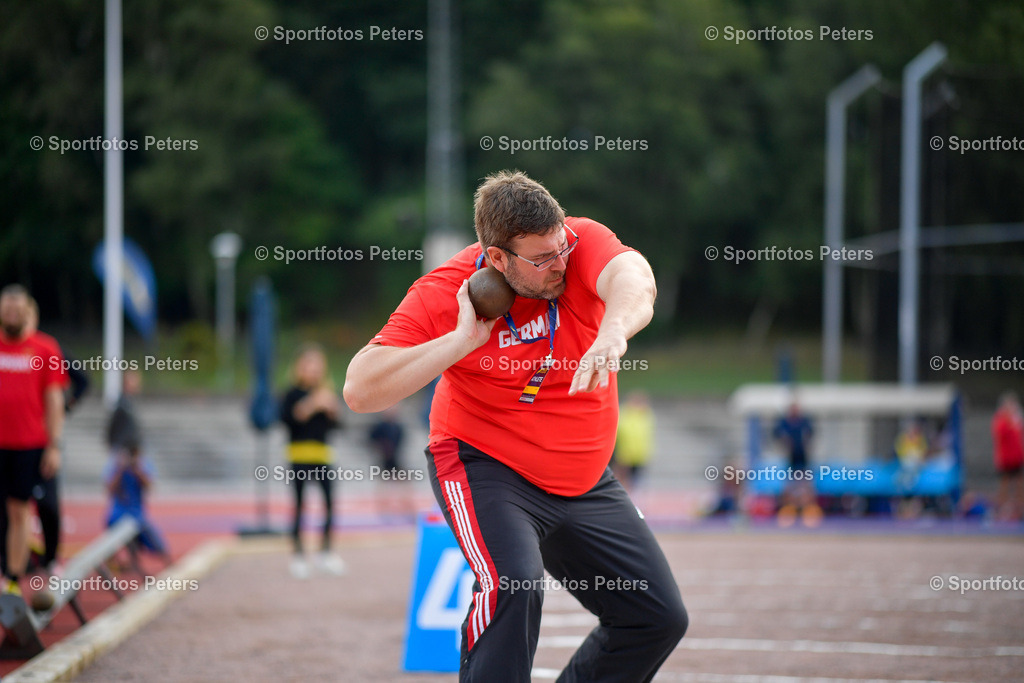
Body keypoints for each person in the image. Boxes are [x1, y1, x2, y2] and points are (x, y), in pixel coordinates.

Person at [344, 171, 687, 682]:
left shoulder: (579, 242)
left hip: (583, 477)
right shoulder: (446, 290)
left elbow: (635, 279)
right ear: (499, 259)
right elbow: (360, 388)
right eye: (542, 259)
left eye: (561, 247)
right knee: (513, 584)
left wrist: (614, 329)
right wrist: (459, 343)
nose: (560, 264)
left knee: (655, 617)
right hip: (487, 467)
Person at [0, 284, 68, 596]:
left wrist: (54, 445)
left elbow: (54, 400)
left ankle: (12, 580)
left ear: (28, 312)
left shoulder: (45, 349)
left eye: (17, 309)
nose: (12, 314)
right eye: (6, 309)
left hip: (28, 444)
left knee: (19, 512)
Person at [280, 343, 345, 578]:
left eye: (318, 364)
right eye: (309, 364)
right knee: (299, 506)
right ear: (299, 367)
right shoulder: (292, 393)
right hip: (299, 456)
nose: (314, 369)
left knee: (329, 505)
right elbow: (288, 420)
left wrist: (332, 410)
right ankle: (298, 555)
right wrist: (311, 405)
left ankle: (326, 552)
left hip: (323, 456)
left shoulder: (327, 393)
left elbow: (338, 427)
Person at [104, 439, 171, 565]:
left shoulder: (142, 465)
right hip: (118, 515)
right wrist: (120, 469)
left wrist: (137, 469)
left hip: (138, 516)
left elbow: (149, 486)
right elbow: (110, 489)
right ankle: (119, 563)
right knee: (113, 538)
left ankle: (166, 564)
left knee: (159, 546)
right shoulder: (115, 465)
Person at [772, 401, 821, 527]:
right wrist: (785, 442)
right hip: (790, 459)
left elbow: (811, 433)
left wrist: (806, 442)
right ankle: (789, 513)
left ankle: (808, 514)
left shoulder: (804, 421)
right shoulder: (784, 422)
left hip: (803, 459)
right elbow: (776, 434)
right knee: (789, 488)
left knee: (806, 487)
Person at [613, 391, 655, 494]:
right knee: (623, 480)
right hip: (624, 455)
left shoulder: (646, 415)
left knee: (636, 481)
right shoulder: (624, 414)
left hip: (640, 455)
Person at [991, 392, 1024, 521]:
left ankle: (1019, 509)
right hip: (1005, 458)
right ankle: (1000, 510)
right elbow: (1001, 434)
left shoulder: (1016, 419)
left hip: (1017, 457)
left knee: (1019, 484)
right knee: (1004, 485)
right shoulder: (1000, 420)